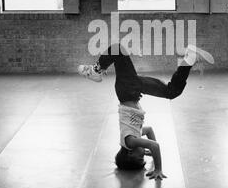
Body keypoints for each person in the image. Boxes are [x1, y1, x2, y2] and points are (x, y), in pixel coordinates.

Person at [78, 44, 214, 180]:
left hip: (128, 89)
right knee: (171, 91)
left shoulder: (131, 141)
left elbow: (154, 146)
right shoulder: (131, 137)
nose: (143, 153)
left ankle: (96, 70)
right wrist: (150, 152)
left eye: (140, 155)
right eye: (144, 155)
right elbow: (149, 130)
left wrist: (158, 168)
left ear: (130, 153)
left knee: (118, 50)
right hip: (133, 89)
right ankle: (189, 58)